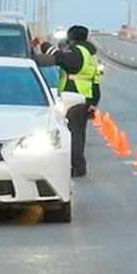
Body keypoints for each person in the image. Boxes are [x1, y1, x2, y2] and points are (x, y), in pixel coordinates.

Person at [43, 25, 101, 177]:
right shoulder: (90, 54)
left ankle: (77, 166)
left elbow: (60, 58)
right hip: (84, 96)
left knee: (72, 133)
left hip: (73, 96)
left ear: (71, 37)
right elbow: (96, 82)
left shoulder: (78, 52)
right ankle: (78, 165)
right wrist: (93, 103)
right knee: (78, 133)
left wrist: (44, 45)